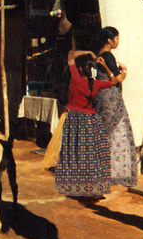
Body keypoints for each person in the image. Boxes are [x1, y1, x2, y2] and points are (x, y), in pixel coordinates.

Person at [55, 47, 117, 205]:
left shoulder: (76, 77)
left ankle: (79, 188)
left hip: (75, 120)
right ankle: (93, 189)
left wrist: (89, 52)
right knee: (93, 155)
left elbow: (70, 54)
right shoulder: (95, 84)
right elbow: (115, 81)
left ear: (82, 68)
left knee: (75, 154)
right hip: (91, 121)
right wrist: (107, 67)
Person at [94, 26, 138, 187]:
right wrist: (125, 71)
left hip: (103, 99)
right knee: (116, 133)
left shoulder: (100, 54)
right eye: (117, 39)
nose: (118, 42)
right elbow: (117, 79)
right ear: (109, 40)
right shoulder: (108, 56)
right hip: (111, 100)